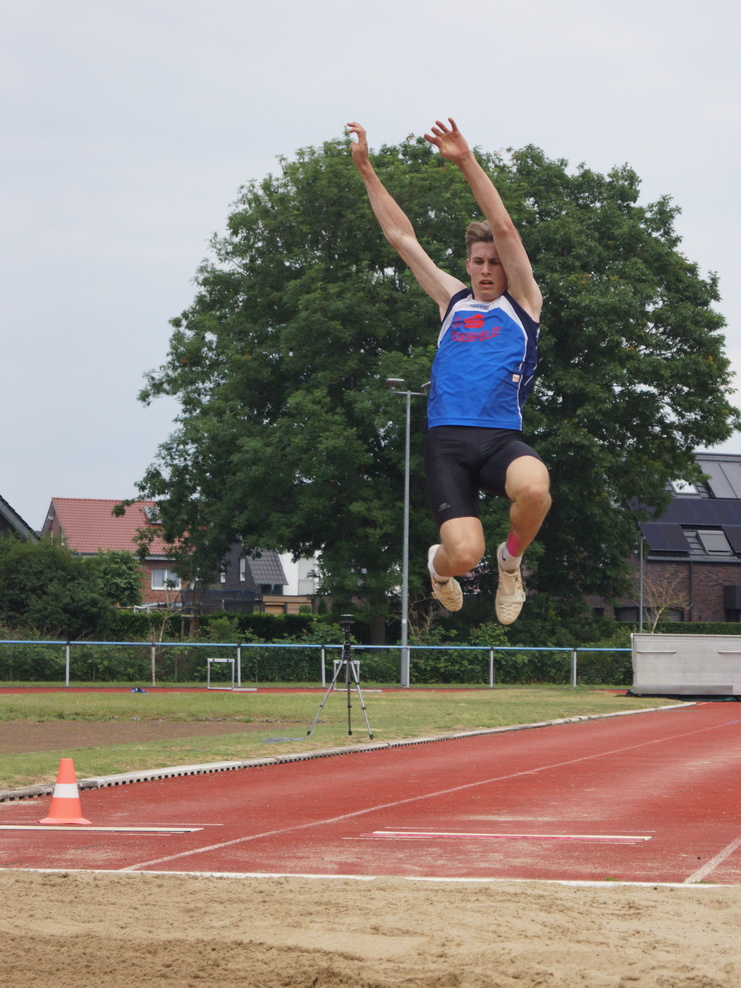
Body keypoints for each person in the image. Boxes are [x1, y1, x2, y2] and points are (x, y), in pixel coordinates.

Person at [347, 118, 551, 624]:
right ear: (468, 264)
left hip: (500, 439)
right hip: (448, 443)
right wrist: (368, 169)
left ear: (507, 268)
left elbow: (503, 226)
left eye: (494, 262)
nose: (485, 270)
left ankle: (512, 561)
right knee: (463, 556)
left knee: (536, 487)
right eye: (477, 261)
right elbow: (401, 236)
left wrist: (465, 161)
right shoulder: (452, 301)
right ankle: (439, 572)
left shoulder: (523, 304)